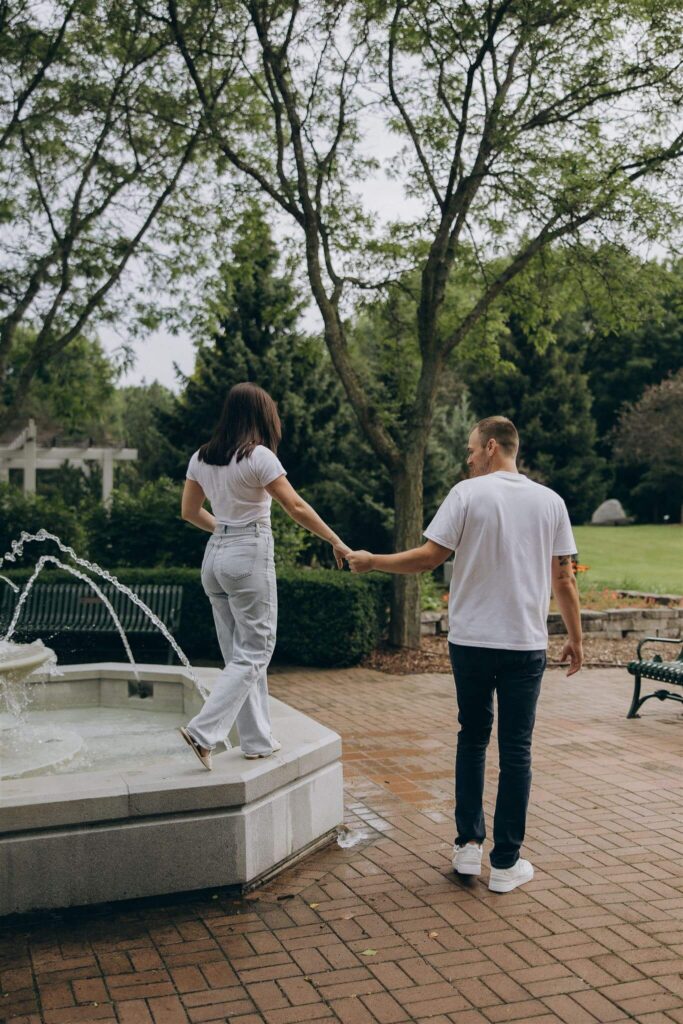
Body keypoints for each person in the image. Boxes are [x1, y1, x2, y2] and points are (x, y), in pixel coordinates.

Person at [346, 416, 582, 893]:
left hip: (471, 643)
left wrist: (373, 562)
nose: (469, 458)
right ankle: (507, 864)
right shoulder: (551, 502)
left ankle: (469, 848)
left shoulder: (466, 494)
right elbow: (565, 579)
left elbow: (429, 558)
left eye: (472, 450)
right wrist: (576, 638)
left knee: (473, 739)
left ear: (492, 446)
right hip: (524, 645)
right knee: (517, 750)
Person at [179, 382, 350, 770]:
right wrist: (335, 540)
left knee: (238, 655)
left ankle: (256, 741)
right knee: (256, 651)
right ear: (261, 416)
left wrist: (224, 530)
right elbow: (296, 505)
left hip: (215, 557)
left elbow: (190, 511)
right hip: (248, 554)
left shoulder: (201, 457)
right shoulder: (259, 457)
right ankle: (203, 732)